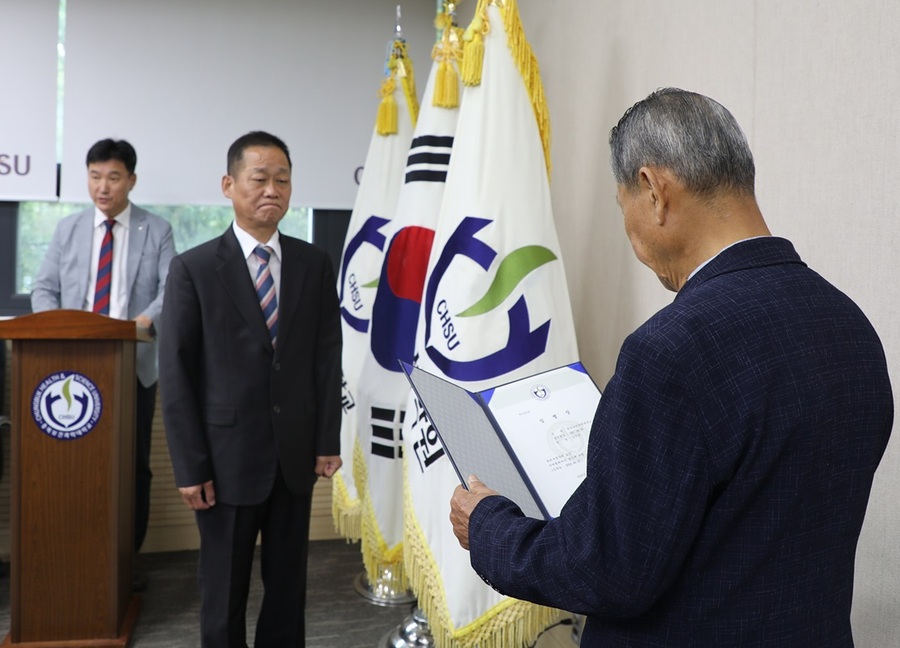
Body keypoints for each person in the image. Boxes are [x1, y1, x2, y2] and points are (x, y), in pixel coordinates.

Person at [449, 88, 893, 646]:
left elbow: (609, 571)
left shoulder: (669, 350)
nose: (631, 236)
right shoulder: (851, 325)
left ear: (654, 191)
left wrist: (489, 526)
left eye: (623, 209)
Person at [159, 130, 342, 647]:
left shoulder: (313, 263)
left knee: (288, 588)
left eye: (282, 180)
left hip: (294, 457)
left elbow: (327, 358)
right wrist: (190, 466)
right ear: (229, 185)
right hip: (225, 462)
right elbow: (176, 374)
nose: (271, 190)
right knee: (223, 591)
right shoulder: (193, 269)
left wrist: (326, 439)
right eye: (259, 178)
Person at [31, 138, 176, 591]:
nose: (103, 187)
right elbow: (42, 288)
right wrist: (54, 327)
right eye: (95, 176)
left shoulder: (156, 229)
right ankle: (72, 556)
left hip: (133, 364)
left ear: (131, 180)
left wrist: (143, 322)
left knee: (132, 466)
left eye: (113, 177)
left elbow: (171, 289)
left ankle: (126, 560)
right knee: (72, 465)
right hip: (72, 367)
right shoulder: (69, 228)